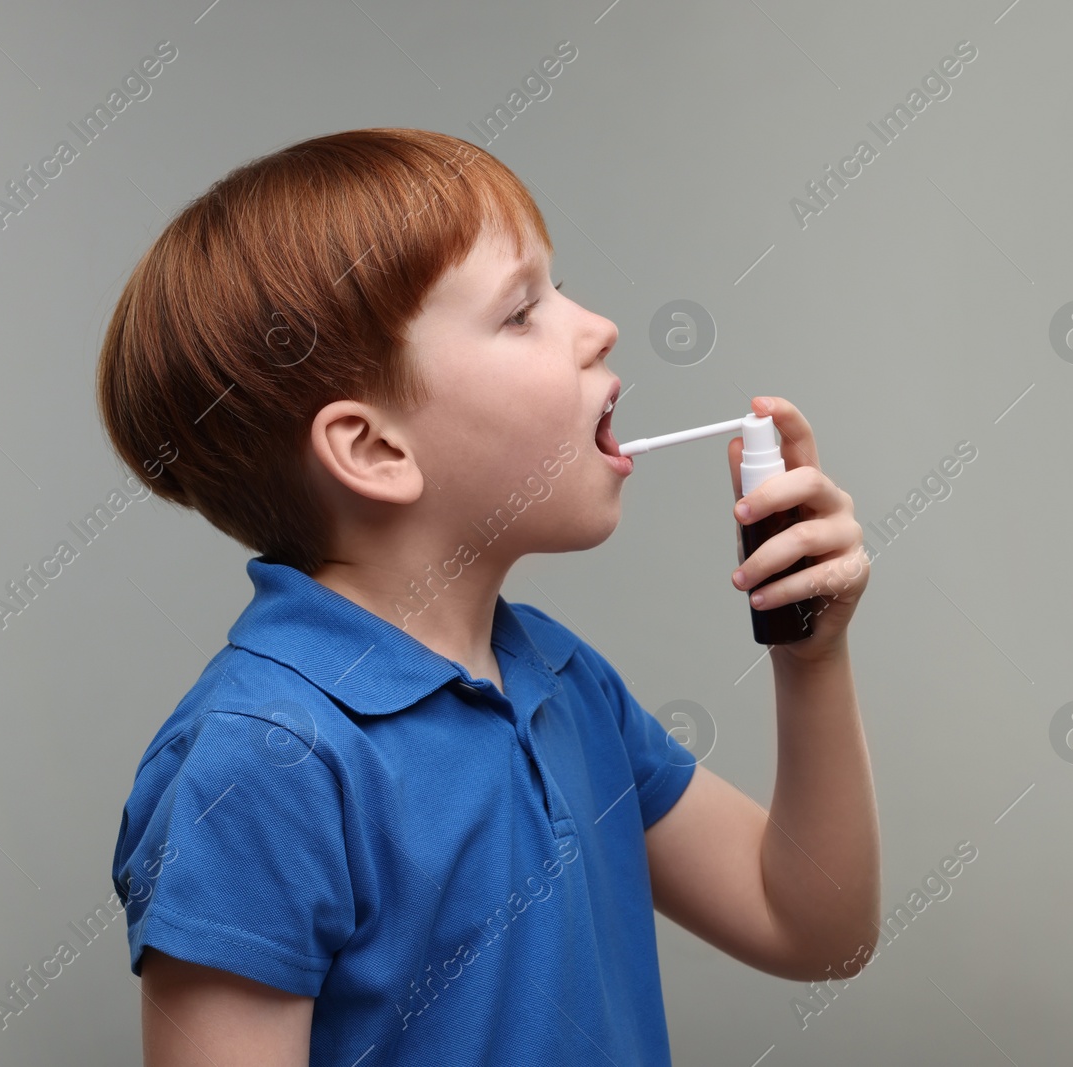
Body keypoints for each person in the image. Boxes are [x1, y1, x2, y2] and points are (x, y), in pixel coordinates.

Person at [97, 127, 880, 1066]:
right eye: (522, 311)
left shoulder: (559, 679)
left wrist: (812, 657)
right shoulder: (259, 764)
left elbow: (815, 926)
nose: (597, 327)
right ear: (375, 450)